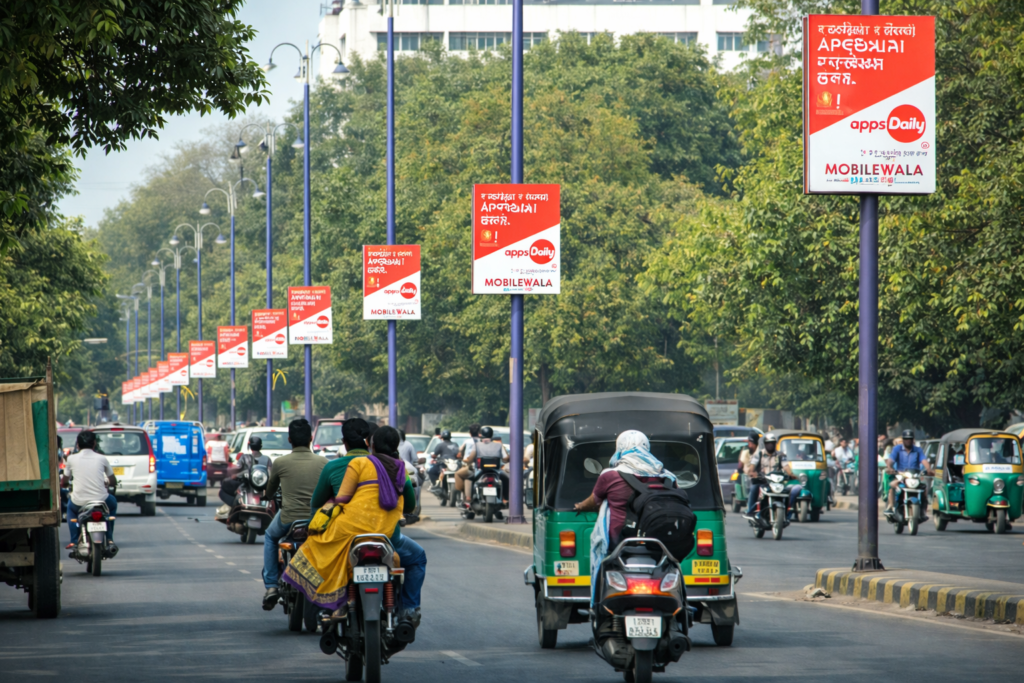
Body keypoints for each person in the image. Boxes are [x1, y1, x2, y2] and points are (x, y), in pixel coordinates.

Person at [304, 419, 426, 627]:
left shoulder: (359, 464)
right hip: (388, 537)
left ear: (371, 444)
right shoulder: (401, 469)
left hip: (352, 534)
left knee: (318, 554)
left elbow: (341, 498)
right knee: (418, 558)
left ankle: (333, 604)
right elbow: (410, 506)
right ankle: (409, 609)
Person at [573, 430, 678, 589]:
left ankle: (598, 599)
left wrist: (580, 506)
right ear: (647, 447)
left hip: (618, 544)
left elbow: (594, 501)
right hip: (660, 544)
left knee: (604, 575)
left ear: (620, 448)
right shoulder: (668, 477)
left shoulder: (610, 475)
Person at [261, 419, 327, 610]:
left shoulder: (280, 463)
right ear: (311, 438)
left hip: (289, 520)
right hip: (316, 521)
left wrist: (267, 495)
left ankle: (271, 585)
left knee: (270, 536)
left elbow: (270, 491)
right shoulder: (324, 463)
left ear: (289, 439)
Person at [62, 430, 118, 553]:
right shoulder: (102, 458)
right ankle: (109, 539)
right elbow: (113, 480)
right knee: (113, 504)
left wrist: (65, 484)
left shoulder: (71, 459)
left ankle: (74, 541)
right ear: (94, 443)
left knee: (70, 510)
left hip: (79, 502)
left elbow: (65, 480)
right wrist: (108, 483)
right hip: (102, 500)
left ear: (77, 445)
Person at [742, 432, 803, 520]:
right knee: (754, 487)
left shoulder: (781, 455)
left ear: (775, 444)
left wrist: (791, 474)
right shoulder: (759, 454)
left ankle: (786, 512)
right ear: (765, 444)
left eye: (772, 443)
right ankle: (750, 512)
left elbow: (786, 466)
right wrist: (752, 472)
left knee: (789, 492)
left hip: (777, 482)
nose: (770, 445)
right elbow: (752, 467)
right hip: (763, 481)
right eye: (768, 443)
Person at [454, 426, 509, 511]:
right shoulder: (499, 445)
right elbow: (505, 459)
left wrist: (466, 460)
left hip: (479, 471)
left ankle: (467, 498)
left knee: (462, 475)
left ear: (481, 434)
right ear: (491, 435)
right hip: (496, 472)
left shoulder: (477, 445)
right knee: (506, 479)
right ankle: (505, 499)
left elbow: (470, 459)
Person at [884, 429, 932, 516]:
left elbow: (924, 460)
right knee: (892, 485)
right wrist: (890, 467)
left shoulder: (918, 450)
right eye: (906, 439)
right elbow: (891, 460)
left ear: (913, 439)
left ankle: (923, 510)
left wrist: (929, 469)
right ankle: (890, 506)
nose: (908, 440)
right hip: (901, 476)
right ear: (903, 439)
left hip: (914, 476)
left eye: (910, 438)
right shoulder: (897, 449)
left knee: (924, 488)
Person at [219, 435, 272, 510]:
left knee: (228, 492)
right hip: (264, 489)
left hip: (246, 487)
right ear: (261, 446)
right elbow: (271, 473)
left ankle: (232, 510)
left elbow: (237, 469)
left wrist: (233, 475)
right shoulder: (267, 459)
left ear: (250, 446)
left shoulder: (244, 457)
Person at [397, 429, 422, 523]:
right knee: (415, 486)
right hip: (409, 470)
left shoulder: (388, 444)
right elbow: (415, 460)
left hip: (395, 469)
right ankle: (414, 508)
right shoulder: (408, 444)